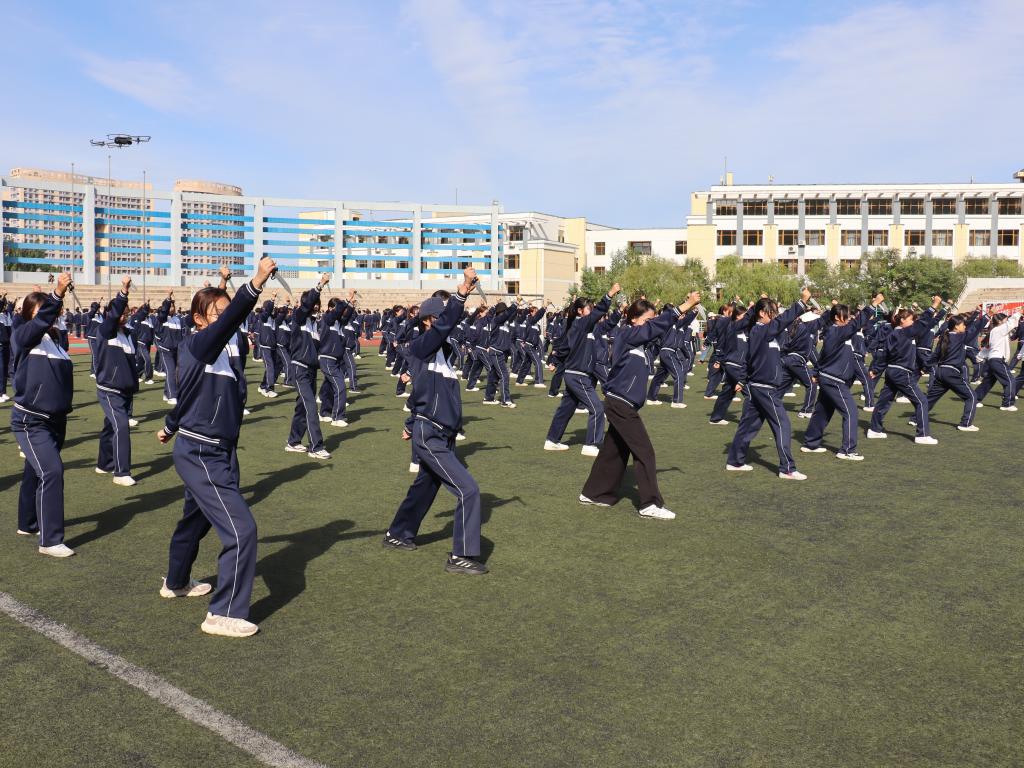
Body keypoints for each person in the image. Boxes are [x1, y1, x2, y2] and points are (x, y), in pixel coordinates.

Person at [157, 256, 278, 637]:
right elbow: (229, 321)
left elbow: (192, 396)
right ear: (198, 319)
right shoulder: (197, 345)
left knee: (195, 520)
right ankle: (222, 613)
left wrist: (169, 425)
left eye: (227, 313)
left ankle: (176, 581)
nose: (227, 320)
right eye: (217, 313)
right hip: (201, 452)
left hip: (221, 449)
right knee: (242, 531)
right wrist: (256, 282)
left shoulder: (227, 349)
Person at [383, 267, 488, 575]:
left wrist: (408, 423)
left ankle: (398, 533)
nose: (446, 323)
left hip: (440, 433)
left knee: (425, 487)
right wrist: (462, 292)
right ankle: (461, 556)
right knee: (469, 490)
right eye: (440, 319)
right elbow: (443, 328)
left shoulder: (441, 354)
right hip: (430, 433)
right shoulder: (422, 345)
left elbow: (422, 392)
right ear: (428, 321)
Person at [579, 292, 701, 519]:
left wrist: (683, 313)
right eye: (647, 320)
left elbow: (662, 329)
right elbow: (655, 328)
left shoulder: (643, 343)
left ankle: (593, 493)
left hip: (624, 404)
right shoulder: (627, 334)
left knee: (614, 452)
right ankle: (650, 504)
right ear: (633, 319)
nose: (651, 324)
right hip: (619, 403)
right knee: (645, 452)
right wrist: (685, 305)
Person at [10, 274, 76, 557]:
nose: (47, 317)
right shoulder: (24, 336)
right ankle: (50, 541)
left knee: (35, 470)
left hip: (56, 420)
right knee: (52, 471)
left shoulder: (57, 342)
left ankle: (27, 523)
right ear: (28, 316)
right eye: (39, 312)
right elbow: (39, 322)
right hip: (31, 420)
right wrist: (57, 293)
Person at [726, 288, 812, 479]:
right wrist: (801, 302)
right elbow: (781, 322)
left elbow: (749, 360)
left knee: (748, 426)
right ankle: (787, 469)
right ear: (762, 314)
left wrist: (742, 380)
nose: (775, 316)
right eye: (772, 313)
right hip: (764, 388)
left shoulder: (767, 333)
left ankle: (735, 461)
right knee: (783, 425)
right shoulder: (759, 330)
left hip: (758, 387)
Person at [800, 294, 883, 460]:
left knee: (822, 412)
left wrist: (816, 372)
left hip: (830, 378)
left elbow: (824, 355)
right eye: (847, 316)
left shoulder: (836, 332)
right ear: (837, 318)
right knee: (851, 412)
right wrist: (873, 305)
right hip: (834, 380)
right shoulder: (836, 331)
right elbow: (856, 324)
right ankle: (847, 450)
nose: (850, 318)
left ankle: (811, 443)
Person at [544, 284, 622, 455]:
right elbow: (564, 346)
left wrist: (619, 312)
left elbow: (607, 324)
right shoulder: (579, 324)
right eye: (589, 308)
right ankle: (590, 445)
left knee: (565, 409)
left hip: (576, 375)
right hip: (577, 375)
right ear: (580, 311)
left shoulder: (590, 327)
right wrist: (609, 294)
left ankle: (552, 440)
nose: (592, 311)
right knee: (597, 408)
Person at [867, 296, 943, 443]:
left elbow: (884, 356)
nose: (913, 322)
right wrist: (934, 305)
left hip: (892, 371)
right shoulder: (903, 332)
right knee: (922, 401)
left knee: (884, 401)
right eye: (911, 319)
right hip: (901, 373)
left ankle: (874, 430)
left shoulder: (895, 333)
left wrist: (876, 370)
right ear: (902, 320)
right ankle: (922, 435)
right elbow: (922, 322)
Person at [95, 276, 141, 485]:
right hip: (109, 389)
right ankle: (121, 473)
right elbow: (114, 316)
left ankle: (104, 464)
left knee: (110, 427)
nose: (124, 316)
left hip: (126, 390)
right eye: (121, 312)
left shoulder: (129, 335)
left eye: (127, 313)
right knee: (121, 426)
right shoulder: (106, 331)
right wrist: (124, 291)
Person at [285, 274, 332, 458]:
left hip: (311, 370)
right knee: (311, 406)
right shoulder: (299, 318)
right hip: (299, 368)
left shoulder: (315, 326)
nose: (316, 307)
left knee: (302, 406)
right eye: (314, 304)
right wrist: (320, 285)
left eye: (318, 304)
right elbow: (305, 305)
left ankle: (293, 441)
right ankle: (316, 447)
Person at [974, 307, 1021, 411]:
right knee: (1009, 380)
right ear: (1000, 322)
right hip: (997, 360)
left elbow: (989, 347)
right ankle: (1007, 404)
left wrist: (979, 356)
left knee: (988, 382)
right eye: (1005, 320)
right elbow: (1011, 322)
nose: (1006, 322)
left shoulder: (995, 331)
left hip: (994, 360)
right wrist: (1020, 312)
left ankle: (975, 399)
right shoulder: (999, 329)